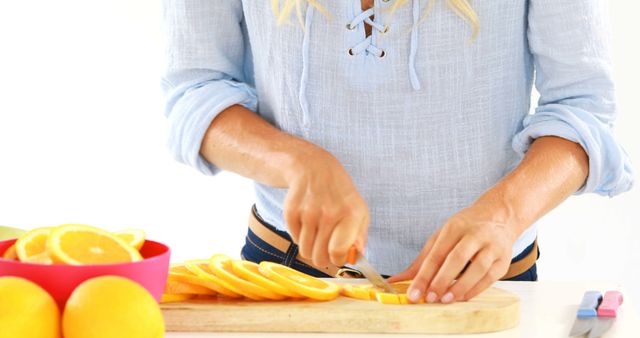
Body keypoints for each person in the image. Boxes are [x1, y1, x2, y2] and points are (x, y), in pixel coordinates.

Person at [162, 0, 634, 304]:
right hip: (289, 275)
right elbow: (196, 89)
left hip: (479, 286)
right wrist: (295, 161)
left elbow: (582, 110)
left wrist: (504, 214)